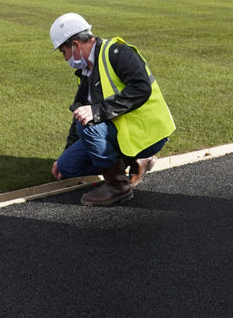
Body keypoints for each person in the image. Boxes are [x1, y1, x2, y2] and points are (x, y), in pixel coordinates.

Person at [48, 13, 176, 206]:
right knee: (68, 166)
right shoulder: (85, 71)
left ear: (75, 45)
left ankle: (118, 186)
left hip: (148, 133)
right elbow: (79, 114)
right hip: (120, 133)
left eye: (63, 52)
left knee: (89, 123)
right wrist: (65, 154)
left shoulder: (117, 53)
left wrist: (97, 111)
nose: (65, 58)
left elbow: (141, 89)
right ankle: (137, 162)